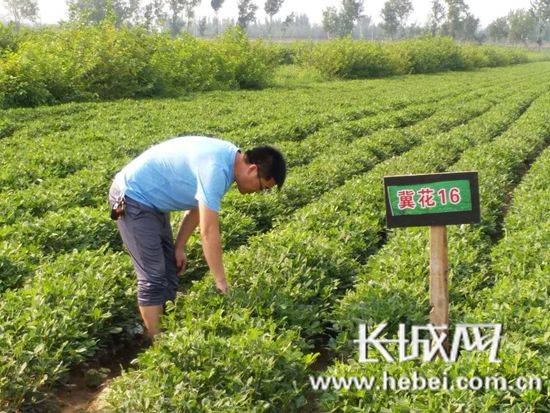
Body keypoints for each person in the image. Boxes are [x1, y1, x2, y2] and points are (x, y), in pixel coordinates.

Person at [108, 136, 286, 341]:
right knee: (154, 277)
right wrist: (221, 284)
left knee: (169, 272)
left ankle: (163, 329)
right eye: (263, 187)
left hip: (153, 202)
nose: (258, 192)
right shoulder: (216, 168)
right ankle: (158, 345)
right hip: (132, 197)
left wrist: (179, 246)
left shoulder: (229, 161)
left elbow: (196, 208)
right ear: (253, 169)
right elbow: (209, 231)